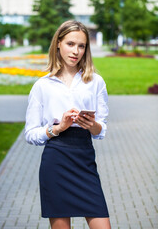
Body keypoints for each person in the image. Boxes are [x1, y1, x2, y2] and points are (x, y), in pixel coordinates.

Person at [25, 20, 111, 229]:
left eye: (81, 46)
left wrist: (91, 125)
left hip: (84, 159)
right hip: (56, 161)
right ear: (58, 44)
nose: (76, 51)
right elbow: (30, 133)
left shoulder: (96, 82)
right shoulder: (42, 85)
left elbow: (101, 129)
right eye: (70, 44)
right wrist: (58, 127)